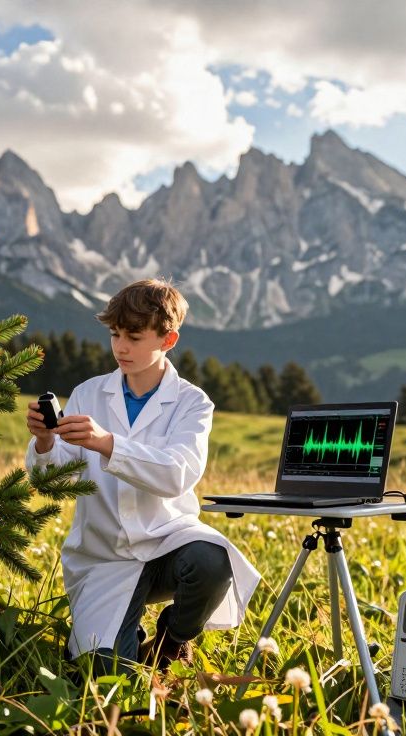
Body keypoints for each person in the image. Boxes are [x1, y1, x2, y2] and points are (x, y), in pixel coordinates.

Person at [25, 278, 260, 676]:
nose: (120, 347)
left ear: (168, 340)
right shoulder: (88, 393)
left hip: (168, 546)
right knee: (106, 675)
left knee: (212, 562)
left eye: (134, 336)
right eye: (116, 334)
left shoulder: (192, 402)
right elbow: (53, 481)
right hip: (104, 559)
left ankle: (171, 642)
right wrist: (46, 442)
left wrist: (108, 444)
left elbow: (177, 474)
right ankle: (122, 636)